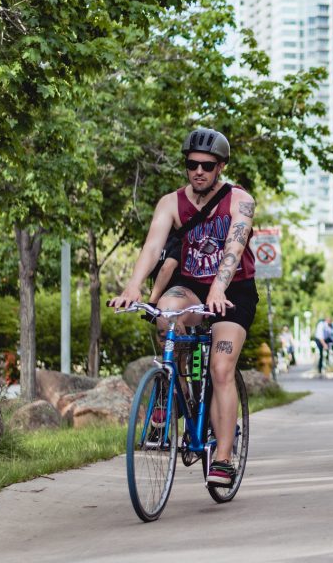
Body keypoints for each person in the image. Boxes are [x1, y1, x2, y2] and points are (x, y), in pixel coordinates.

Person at [109, 127, 258, 487]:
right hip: (192, 286)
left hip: (234, 290)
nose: (199, 171)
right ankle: (173, 388)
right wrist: (134, 286)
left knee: (221, 368)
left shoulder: (241, 200)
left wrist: (219, 288)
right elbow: (151, 248)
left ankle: (222, 458)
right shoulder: (170, 203)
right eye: (192, 164)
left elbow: (233, 249)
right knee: (165, 311)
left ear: (221, 166)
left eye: (207, 165)